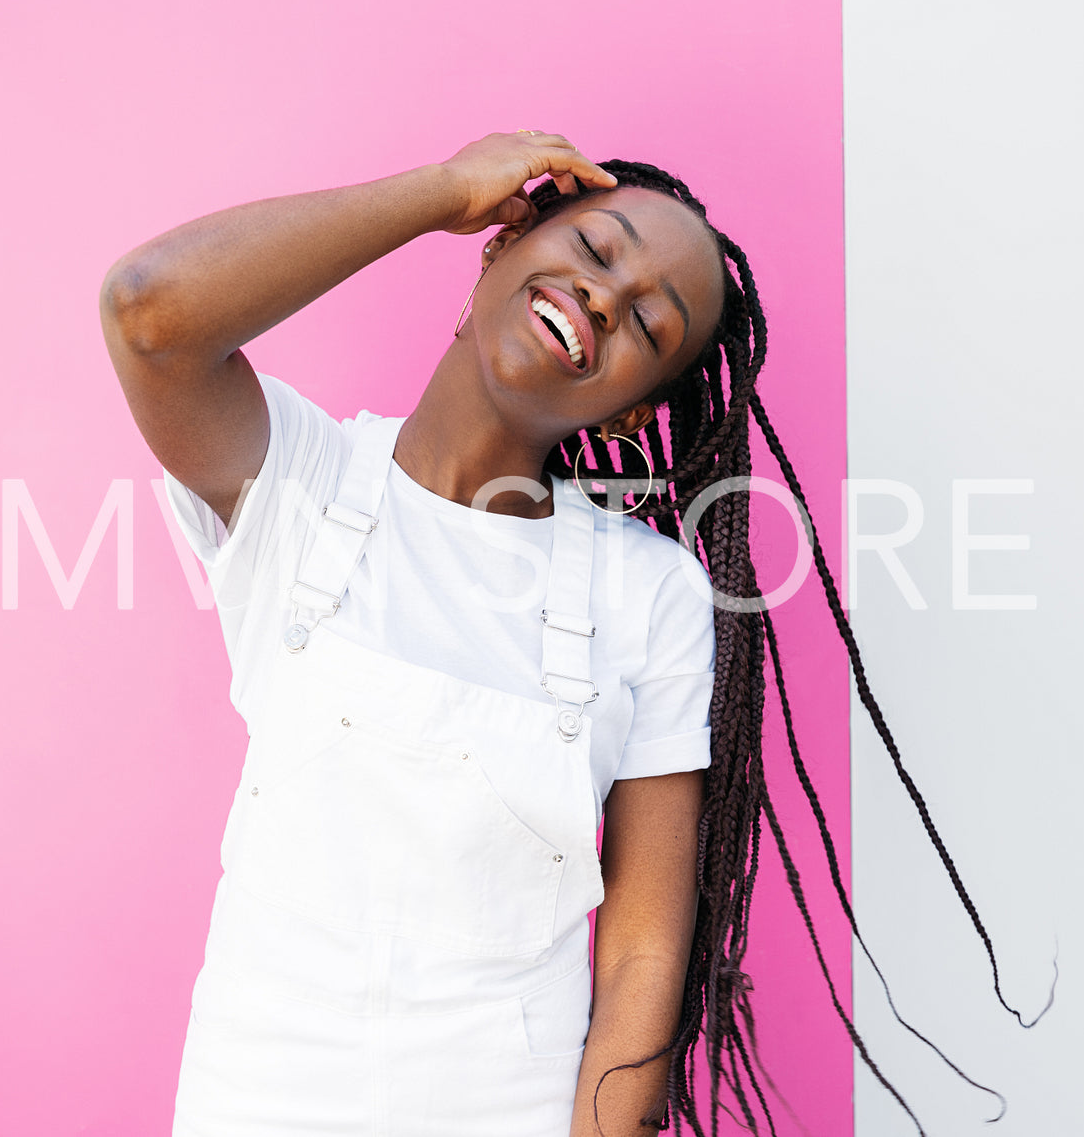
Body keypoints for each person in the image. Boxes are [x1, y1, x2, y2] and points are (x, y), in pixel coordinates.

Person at [101, 131, 1033, 1137]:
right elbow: (148, 309)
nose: (604, 294)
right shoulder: (298, 480)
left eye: (648, 318)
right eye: (594, 250)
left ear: (632, 412)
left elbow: (640, 952)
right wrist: (440, 189)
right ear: (497, 249)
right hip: (255, 1101)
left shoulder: (648, 594)